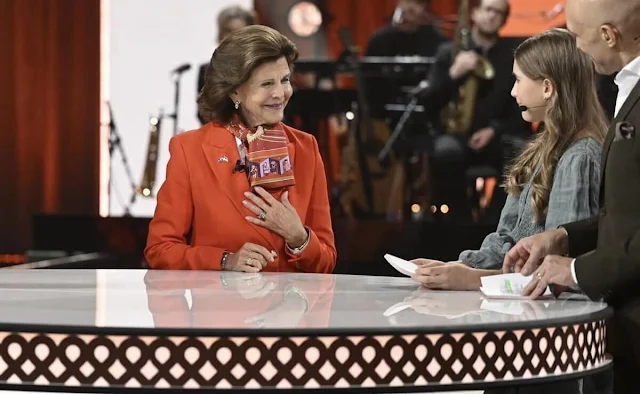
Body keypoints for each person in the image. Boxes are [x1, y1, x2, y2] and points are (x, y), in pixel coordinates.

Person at [503, 0, 640, 391]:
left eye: (578, 37)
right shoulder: (626, 92)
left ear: (609, 36)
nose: (575, 49)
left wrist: (576, 269)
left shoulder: (582, 151)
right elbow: (625, 214)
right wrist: (565, 236)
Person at [411, 29, 607, 295]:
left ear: (547, 87)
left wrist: (471, 280)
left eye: (518, 80)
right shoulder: (538, 149)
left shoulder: (579, 157)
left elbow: (557, 274)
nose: (513, 92)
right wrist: (457, 266)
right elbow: (506, 240)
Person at [145, 25, 337, 273]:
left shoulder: (306, 148)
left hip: (289, 308)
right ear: (235, 90)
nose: (280, 93)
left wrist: (298, 237)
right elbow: (160, 250)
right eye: (266, 83)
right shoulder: (189, 149)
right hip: (223, 306)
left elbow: (327, 262)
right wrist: (225, 261)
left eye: (285, 80)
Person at [423, 0, 532, 221]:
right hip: (456, 135)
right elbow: (428, 102)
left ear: (504, 19)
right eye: (488, 10)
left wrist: (494, 130)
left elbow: (523, 107)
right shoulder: (448, 52)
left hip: (497, 135)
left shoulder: (513, 54)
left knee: (523, 153)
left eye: (499, 12)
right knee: (444, 153)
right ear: (474, 13)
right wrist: (454, 73)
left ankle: (494, 224)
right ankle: (459, 223)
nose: (492, 16)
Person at [364, 0, 448, 119]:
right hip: (384, 119)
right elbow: (369, 89)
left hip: (427, 119)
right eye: (406, 1)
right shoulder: (379, 41)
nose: (409, 8)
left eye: (417, 3)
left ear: (425, 8)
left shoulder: (440, 44)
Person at [197, 6, 256, 125]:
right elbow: (203, 112)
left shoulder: (260, 69)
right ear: (220, 33)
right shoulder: (207, 70)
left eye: (239, 31)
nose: (232, 36)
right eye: (228, 31)